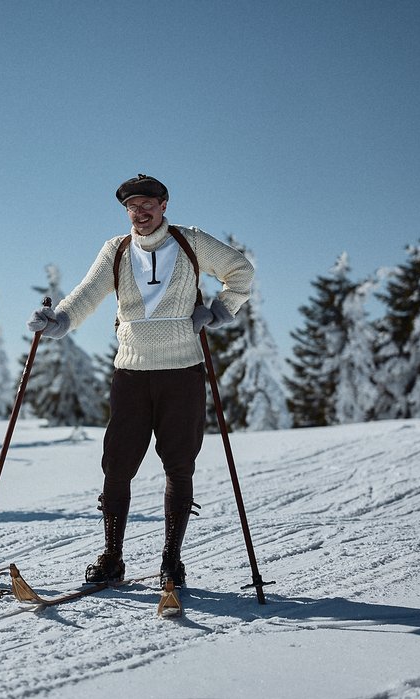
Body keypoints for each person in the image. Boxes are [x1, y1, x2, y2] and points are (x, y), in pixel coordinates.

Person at [26, 174, 254, 589]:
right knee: (116, 466)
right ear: (126, 211)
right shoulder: (116, 250)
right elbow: (88, 293)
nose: (141, 212)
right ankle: (112, 556)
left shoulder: (191, 242)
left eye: (148, 203)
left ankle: (172, 560)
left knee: (179, 465)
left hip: (182, 370)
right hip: (131, 372)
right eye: (132, 206)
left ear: (164, 204)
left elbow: (240, 271)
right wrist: (59, 320)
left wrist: (219, 310)